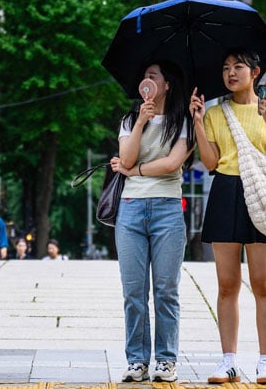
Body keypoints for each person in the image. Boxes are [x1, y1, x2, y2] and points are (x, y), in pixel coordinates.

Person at [189, 48, 266, 385]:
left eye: (238, 67)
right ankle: (228, 360)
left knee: (263, 282)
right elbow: (210, 163)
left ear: (255, 72)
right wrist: (199, 123)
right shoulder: (217, 113)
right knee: (227, 283)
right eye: (225, 67)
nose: (231, 73)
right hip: (225, 192)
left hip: (260, 193)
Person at [110, 60, 195, 383]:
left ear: (167, 84)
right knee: (133, 291)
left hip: (167, 209)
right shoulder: (130, 120)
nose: (146, 80)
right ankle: (136, 361)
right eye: (144, 75)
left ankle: (166, 360)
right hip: (131, 209)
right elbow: (126, 157)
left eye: (153, 76)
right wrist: (141, 123)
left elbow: (173, 164)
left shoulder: (182, 121)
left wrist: (135, 172)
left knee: (165, 289)